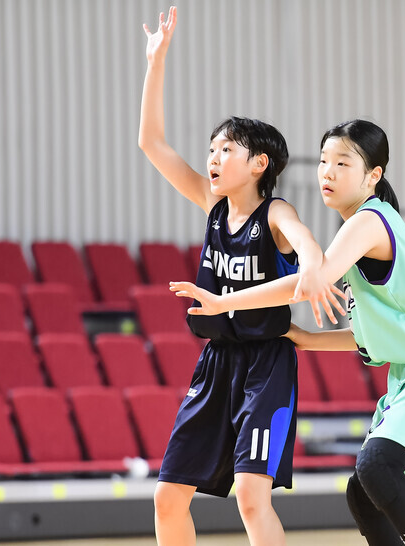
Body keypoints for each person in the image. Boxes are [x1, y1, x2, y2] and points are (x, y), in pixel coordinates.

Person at [170, 119, 405, 545]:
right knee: (364, 493)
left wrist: (225, 302)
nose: (328, 172)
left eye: (342, 163)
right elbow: (367, 336)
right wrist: (307, 339)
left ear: (373, 176)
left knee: (376, 468)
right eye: (323, 161)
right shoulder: (358, 232)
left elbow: (311, 280)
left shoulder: (368, 222)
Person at [138, 8, 342, 546]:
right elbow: (152, 144)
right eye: (210, 149)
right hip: (215, 364)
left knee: (252, 498)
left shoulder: (274, 213)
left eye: (226, 149)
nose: (212, 157)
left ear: (259, 164)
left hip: (266, 364)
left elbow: (305, 241)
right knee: (167, 497)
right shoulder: (212, 205)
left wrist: (314, 263)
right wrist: (156, 63)